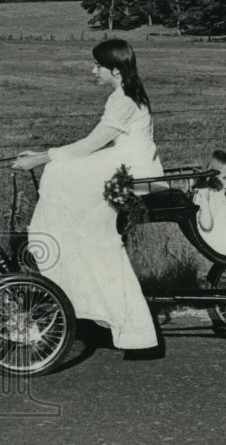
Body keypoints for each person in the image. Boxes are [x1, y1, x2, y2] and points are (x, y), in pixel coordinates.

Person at [13, 39, 164, 354]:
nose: (93, 71)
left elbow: (91, 144)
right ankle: (63, 261)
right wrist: (44, 155)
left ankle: (57, 256)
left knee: (58, 173)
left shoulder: (125, 100)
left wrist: (41, 158)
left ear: (116, 71)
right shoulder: (123, 95)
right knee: (61, 175)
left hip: (131, 171)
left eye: (98, 65)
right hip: (123, 164)